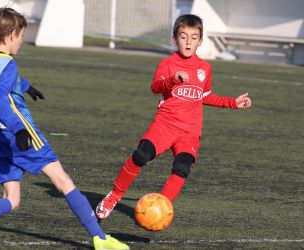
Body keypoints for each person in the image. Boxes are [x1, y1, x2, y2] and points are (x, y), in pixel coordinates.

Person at [0, 7, 129, 250]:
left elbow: (0, 83)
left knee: (11, 200)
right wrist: (21, 131)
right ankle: (100, 238)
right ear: (12, 34)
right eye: (22, 36)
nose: (22, 41)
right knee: (63, 181)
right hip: (19, 134)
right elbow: (3, 100)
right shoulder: (9, 65)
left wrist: (25, 86)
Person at [95, 14, 252, 219]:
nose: (188, 42)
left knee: (182, 167)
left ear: (201, 40)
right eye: (183, 36)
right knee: (141, 155)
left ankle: (159, 209)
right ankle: (114, 196)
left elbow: (205, 96)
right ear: (174, 39)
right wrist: (172, 81)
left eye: (194, 37)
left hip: (190, 132)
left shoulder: (205, 68)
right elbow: (155, 87)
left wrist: (232, 102)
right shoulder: (167, 64)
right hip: (165, 125)